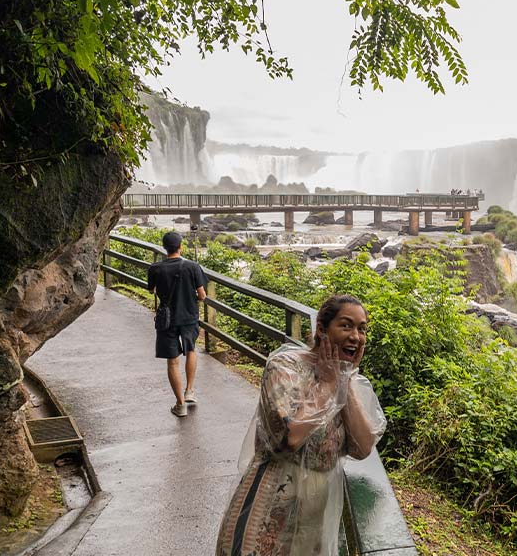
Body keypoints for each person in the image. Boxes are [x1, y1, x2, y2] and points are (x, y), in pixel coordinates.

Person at [216, 294, 386, 556]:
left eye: (361, 329)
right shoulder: (285, 367)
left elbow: (362, 447)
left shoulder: (350, 382)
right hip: (268, 504)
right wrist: (328, 385)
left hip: (315, 515)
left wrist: (344, 380)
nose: (356, 336)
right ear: (321, 329)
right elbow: (289, 437)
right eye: (346, 325)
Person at [147, 231, 209, 417]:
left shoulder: (155, 268)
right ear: (180, 246)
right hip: (189, 316)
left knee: (172, 361)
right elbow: (202, 295)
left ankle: (180, 405)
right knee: (191, 350)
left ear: (165, 248)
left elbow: (152, 290)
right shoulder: (192, 267)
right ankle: (189, 390)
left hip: (167, 320)